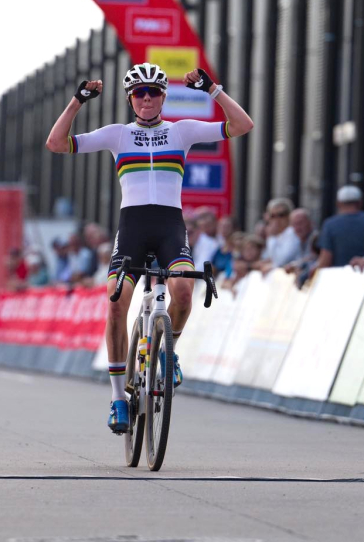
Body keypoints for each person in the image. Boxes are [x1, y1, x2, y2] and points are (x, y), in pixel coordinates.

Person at [45, 62, 253, 434]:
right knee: (115, 302)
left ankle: (168, 353)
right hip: (133, 231)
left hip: (171, 229)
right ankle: (118, 400)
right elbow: (56, 144)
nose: (146, 98)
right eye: (139, 93)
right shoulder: (117, 135)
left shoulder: (182, 131)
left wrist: (213, 90)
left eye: (153, 92)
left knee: (185, 294)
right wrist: (77, 101)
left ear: (163, 97)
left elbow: (242, 126)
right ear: (130, 98)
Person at [313, 185, 364, 270]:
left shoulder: (330, 225)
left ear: (338, 203)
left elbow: (325, 260)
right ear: (360, 202)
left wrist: (310, 271)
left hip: (341, 278)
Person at [259, 198, 301, 270]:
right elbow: (269, 257)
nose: (277, 219)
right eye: (273, 216)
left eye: (281, 215)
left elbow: (281, 261)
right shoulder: (278, 235)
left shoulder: (292, 232)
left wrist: (271, 236)